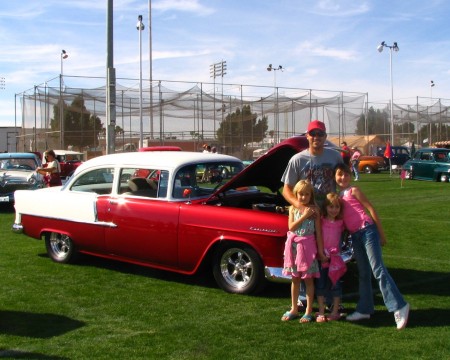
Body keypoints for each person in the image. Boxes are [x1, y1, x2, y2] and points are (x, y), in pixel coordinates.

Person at [334, 163, 410, 330]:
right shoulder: (338, 196)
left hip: (367, 231)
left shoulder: (354, 191)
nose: (343, 178)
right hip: (355, 236)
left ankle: (399, 305)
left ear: (350, 176)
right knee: (363, 273)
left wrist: (381, 234)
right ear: (335, 176)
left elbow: (371, 209)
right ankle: (364, 309)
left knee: (378, 270)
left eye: (346, 174)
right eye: (339, 174)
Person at [281, 120, 343, 308]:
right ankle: (301, 299)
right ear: (307, 136)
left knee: (330, 256)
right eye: (313, 134)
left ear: (325, 137)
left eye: (320, 134)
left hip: (329, 216)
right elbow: (286, 189)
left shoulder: (335, 157)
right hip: (307, 218)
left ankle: (332, 299)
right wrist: (300, 208)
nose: (316, 137)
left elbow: (342, 179)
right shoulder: (297, 160)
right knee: (303, 255)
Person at [281, 180, 326, 323]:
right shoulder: (293, 209)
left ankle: (308, 311)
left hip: (308, 248)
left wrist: (320, 251)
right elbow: (291, 227)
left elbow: (318, 233)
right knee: (295, 279)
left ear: (311, 195)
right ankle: (294, 307)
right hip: (294, 248)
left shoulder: (315, 210)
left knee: (308, 280)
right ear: (296, 194)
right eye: (301, 194)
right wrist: (304, 216)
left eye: (307, 194)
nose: (303, 197)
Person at [315, 193, 346, 322]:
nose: (334, 210)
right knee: (321, 284)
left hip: (335, 258)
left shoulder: (341, 222)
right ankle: (321, 310)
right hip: (322, 257)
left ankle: (334, 311)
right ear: (325, 207)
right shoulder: (321, 220)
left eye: (337, 207)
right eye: (331, 207)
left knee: (336, 284)